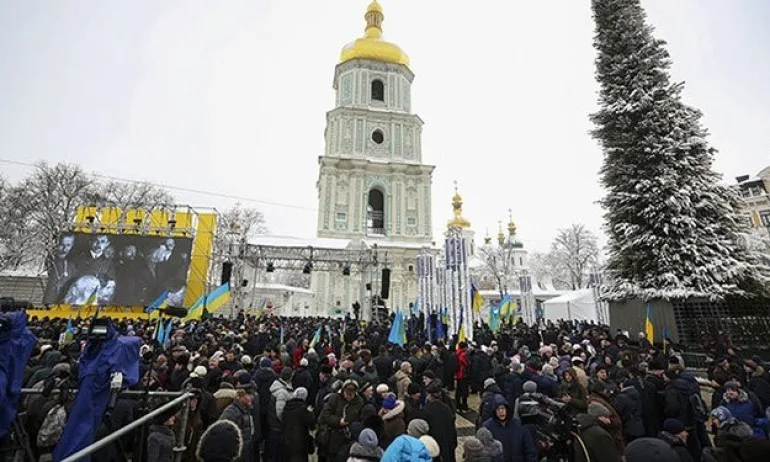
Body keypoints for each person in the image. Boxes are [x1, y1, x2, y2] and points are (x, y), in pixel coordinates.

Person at [482, 395, 537, 462]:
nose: (500, 411)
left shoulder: (519, 425)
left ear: (507, 409)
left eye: (502, 408)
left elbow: (530, 450)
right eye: (497, 409)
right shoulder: (487, 427)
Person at [281, 387, 316, 462]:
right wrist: (310, 412)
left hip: (286, 439)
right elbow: (312, 423)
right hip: (300, 441)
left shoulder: (287, 406)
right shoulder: (303, 410)